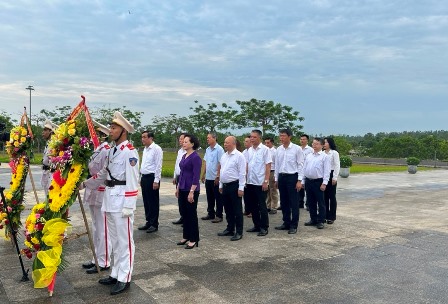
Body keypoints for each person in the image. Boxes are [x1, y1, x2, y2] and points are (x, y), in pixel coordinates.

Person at [79, 111, 139, 296]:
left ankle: (125, 277)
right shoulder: (113, 150)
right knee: (114, 240)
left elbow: (133, 180)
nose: (111, 131)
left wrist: (130, 205)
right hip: (110, 199)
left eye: (114, 128)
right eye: (111, 127)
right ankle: (115, 272)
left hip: (122, 201)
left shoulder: (130, 151)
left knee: (124, 241)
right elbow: (104, 174)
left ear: (123, 131)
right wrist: (84, 184)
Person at [82, 121, 112, 274]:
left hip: (100, 190)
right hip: (93, 190)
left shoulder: (106, 150)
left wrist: (86, 183)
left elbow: (103, 173)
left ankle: (104, 260)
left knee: (102, 228)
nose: (94, 137)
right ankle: (96, 258)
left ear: (103, 136)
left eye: (97, 134)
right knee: (95, 227)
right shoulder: (97, 149)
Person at [274, 129, 304, 234]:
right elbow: (277, 165)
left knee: (294, 202)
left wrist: (300, 180)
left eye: (283, 136)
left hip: (292, 177)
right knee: (284, 201)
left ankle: (293, 225)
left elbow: (300, 165)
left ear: (289, 136)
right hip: (282, 177)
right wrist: (276, 179)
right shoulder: (278, 149)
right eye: (280, 136)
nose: (281, 138)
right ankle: (286, 222)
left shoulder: (297, 149)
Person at [217, 136, 246, 241]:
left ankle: (239, 232)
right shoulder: (224, 156)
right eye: (224, 142)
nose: (225, 144)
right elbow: (222, 171)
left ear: (233, 143)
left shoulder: (239, 156)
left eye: (227, 143)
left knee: (237, 210)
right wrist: (220, 185)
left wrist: (241, 188)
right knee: (228, 209)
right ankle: (230, 229)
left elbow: (242, 173)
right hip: (225, 186)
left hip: (235, 185)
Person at [176, 134, 202, 249]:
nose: (183, 143)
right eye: (183, 141)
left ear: (192, 144)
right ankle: (186, 236)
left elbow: (196, 176)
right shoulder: (184, 156)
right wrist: (178, 188)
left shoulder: (195, 157)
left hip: (191, 189)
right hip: (182, 187)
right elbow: (181, 173)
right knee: (184, 213)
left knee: (191, 214)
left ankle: (194, 238)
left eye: (186, 142)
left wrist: (192, 191)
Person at [245, 130, 271, 237]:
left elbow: (268, 166)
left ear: (259, 138)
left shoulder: (265, 150)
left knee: (262, 206)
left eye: (254, 137)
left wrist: (266, 181)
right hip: (250, 182)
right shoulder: (249, 150)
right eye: (251, 137)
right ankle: (256, 225)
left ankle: (264, 227)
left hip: (260, 183)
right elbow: (246, 165)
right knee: (253, 206)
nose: (252, 139)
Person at [302, 138, 331, 229]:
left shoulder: (324, 157)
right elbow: (304, 169)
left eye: (317, 144)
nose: (314, 145)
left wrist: (324, 183)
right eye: (313, 144)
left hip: (318, 182)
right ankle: (313, 219)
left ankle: (321, 220)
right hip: (308, 181)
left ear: (322, 145)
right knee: (311, 202)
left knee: (320, 202)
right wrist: (302, 181)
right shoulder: (309, 156)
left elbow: (327, 171)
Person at [138, 131, 163, 233]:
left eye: (144, 137)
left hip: (152, 178)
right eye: (142, 137)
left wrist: (156, 180)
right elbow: (143, 164)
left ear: (150, 138)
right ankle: (148, 221)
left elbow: (158, 165)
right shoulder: (145, 149)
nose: (142, 139)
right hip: (144, 177)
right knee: (146, 201)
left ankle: (154, 224)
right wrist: (140, 177)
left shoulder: (156, 149)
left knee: (153, 201)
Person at [200, 132, 225, 223]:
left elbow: (220, 163)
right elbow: (206, 162)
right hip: (208, 177)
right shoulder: (207, 149)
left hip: (216, 177)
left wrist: (218, 176)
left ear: (214, 138)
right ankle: (210, 213)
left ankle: (219, 215)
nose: (207, 139)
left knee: (218, 197)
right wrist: (203, 175)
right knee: (209, 197)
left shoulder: (219, 149)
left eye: (209, 138)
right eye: (207, 138)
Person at [323, 137, 340, 225]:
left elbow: (337, 165)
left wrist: (335, 177)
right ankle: (325, 215)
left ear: (330, 143)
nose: (324, 144)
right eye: (324, 142)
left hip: (331, 174)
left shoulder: (334, 153)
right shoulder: (322, 153)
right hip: (324, 175)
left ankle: (332, 217)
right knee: (324, 196)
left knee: (331, 197)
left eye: (326, 142)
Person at [172, 133, 187, 225]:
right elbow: (177, 164)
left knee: (185, 199)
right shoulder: (180, 151)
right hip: (178, 176)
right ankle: (182, 216)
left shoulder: (188, 152)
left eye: (182, 139)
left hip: (184, 177)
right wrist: (174, 176)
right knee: (180, 198)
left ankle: (186, 218)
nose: (180, 141)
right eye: (180, 139)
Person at [41, 119, 57, 197]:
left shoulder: (55, 144)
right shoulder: (48, 143)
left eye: (45, 130)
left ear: (50, 131)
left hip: (52, 174)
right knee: (47, 197)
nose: (42, 132)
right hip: (46, 173)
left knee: (52, 197)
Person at [264, 137, 279, 214]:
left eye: (268, 143)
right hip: (266, 171)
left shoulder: (275, 151)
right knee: (267, 190)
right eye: (265, 143)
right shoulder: (264, 150)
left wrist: (276, 175)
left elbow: (277, 164)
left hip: (272, 171)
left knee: (273, 190)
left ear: (272, 143)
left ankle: (274, 207)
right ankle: (268, 206)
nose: (266, 144)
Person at [298, 134, 313, 209]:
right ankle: (300, 203)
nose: (302, 141)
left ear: (307, 140)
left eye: (304, 139)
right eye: (301, 139)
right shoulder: (298, 149)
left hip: (307, 170)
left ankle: (308, 204)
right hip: (299, 170)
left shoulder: (310, 149)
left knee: (307, 188)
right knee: (300, 187)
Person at [241, 135, 251, 216]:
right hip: (244, 176)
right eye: (245, 141)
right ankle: (247, 210)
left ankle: (252, 211)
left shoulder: (252, 151)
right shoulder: (244, 152)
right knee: (246, 194)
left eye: (247, 141)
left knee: (251, 195)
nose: (245, 143)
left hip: (251, 176)